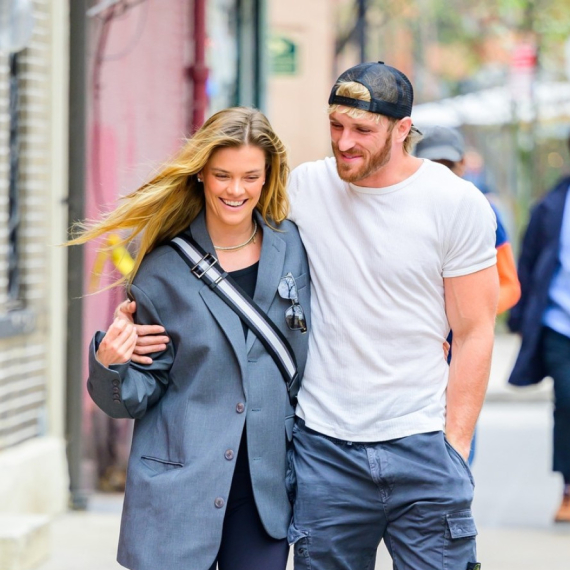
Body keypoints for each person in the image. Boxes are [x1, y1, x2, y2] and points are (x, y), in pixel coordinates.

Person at [122, 62, 499, 569]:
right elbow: (233, 228)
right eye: (336, 126)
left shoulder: (455, 203)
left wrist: (455, 448)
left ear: (403, 130)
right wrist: (145, 307)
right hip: (324, 452)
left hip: (422, 441)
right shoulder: (304, 190)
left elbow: (475, 331)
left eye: (363, 130)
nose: (344, 142)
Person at [70, 107, 311, 570]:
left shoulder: (295, 248)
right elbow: (136, 393)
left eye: (249, 176)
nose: (235, 190)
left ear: (268, 177)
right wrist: (109, 362)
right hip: (178, 489)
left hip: (266, 491)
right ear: (201, 173)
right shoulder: (162, 266)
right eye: (222, 175)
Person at [507, 133, 570, 523]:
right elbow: (529, 262)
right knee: (567, 403)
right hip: (560, 324)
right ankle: (568, 488)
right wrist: (520, 319)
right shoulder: (551, 205)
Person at [414, 125, 520, 316]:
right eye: (432, 166)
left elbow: (509, 285)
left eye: (447, 166)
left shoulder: (483, 211)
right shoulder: (404, 209)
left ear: (462, 164)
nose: (441, 174)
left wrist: (471, 312)